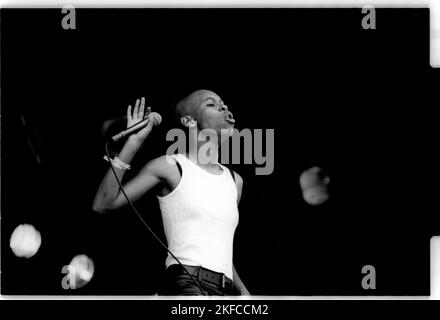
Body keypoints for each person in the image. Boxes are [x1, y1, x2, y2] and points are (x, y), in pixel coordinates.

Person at [92, 89, 250, 296]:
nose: (223, 107)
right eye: (211, 104)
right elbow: (103, 204)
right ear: (189, 121)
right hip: (187, 283)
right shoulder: (170, 167)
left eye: (223, 103)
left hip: (222, 290)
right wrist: (132, 144)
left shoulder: (234, 181)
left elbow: (218, 249)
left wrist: (245, 293)